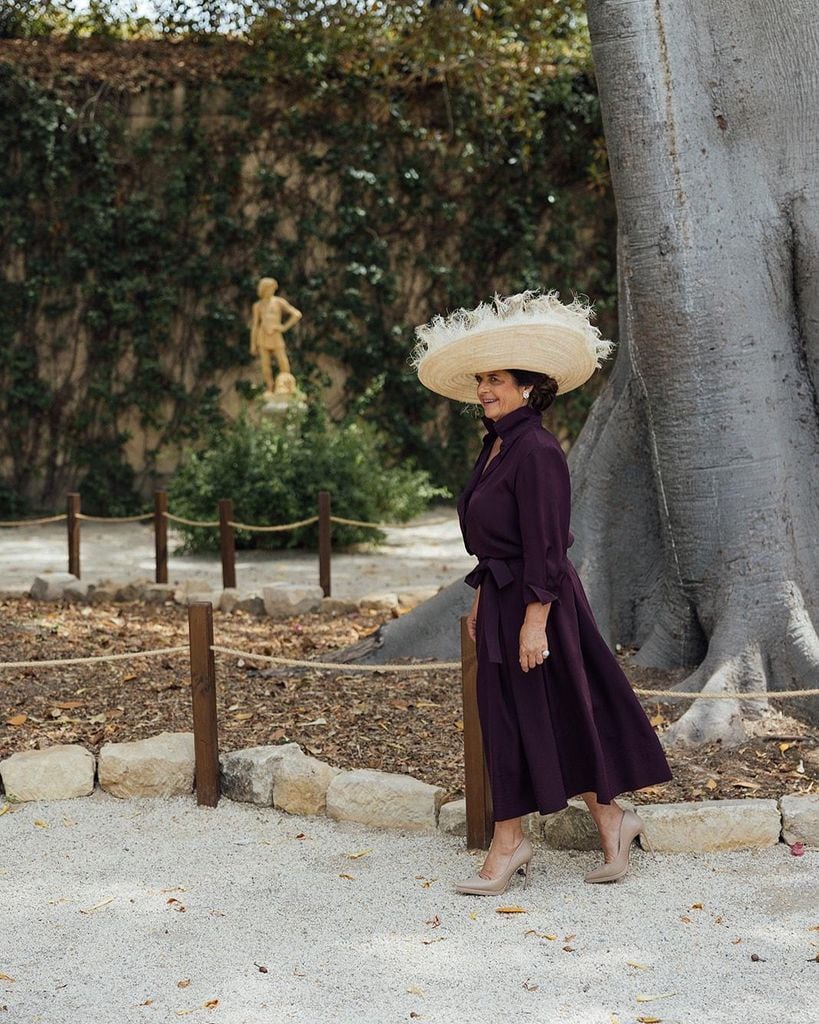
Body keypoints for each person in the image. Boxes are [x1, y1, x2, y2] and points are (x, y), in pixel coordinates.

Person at [411, 290, 673, 894]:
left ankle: (554, 832)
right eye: (481, 379)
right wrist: (483, 598)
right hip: (505, 597)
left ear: (528, 386)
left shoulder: (537, 449)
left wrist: (534, 621)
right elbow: (497, 542)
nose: (484, 390)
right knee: (516, 718)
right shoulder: (497, 442)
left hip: (542, 604)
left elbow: (549, 545)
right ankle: (586, 823)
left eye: (496, 380)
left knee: (549, 714)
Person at [250, 277, 302, 394]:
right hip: (263, 335)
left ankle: (286, 384)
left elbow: (296, 314)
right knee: (265, 364)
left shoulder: (278, 302)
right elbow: (255, 325)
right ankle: (270, 387)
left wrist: (284, 327)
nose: (271, 291)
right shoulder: (258, 306)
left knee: (283, 361)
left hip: (275, 334)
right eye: (269, 289)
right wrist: (253, 344)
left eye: (273, 289)